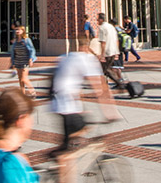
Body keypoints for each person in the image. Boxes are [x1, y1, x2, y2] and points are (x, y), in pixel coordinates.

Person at [51, 36, 119, 182]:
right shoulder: (86, 60)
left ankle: (61, 163)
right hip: (67, 107)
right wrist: (110, 112)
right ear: (88, 47)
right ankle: (62, 158)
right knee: (77, 142)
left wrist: (81, 108)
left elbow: (66, 83)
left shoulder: (67, 57)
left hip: (58, 105)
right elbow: (100, 89)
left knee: (71, 142)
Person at [96, 13, 123, 88]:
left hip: (107, 52)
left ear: (101, 19)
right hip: (113, 51)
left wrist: (102, 55)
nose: (97, 21)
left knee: (105, 70)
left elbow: (103, 42)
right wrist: (117, 52)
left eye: (98, 19)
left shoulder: (102, 28)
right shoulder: (111, 27)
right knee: (106, 69)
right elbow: (116, 40)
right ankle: (108, 84)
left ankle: (118, 82)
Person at [9, 26, 37, 96]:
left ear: (23, 31)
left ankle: (32, 91)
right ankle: (22, 94)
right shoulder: (15, 41)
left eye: (19, 29)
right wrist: (12, 63)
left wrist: (31, 59)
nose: (17, 31)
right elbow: (13, 53)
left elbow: (32, 50)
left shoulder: (26, 40)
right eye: (16, 30)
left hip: (25, 61)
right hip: (18, 61)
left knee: (24, 78)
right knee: (20, 80)